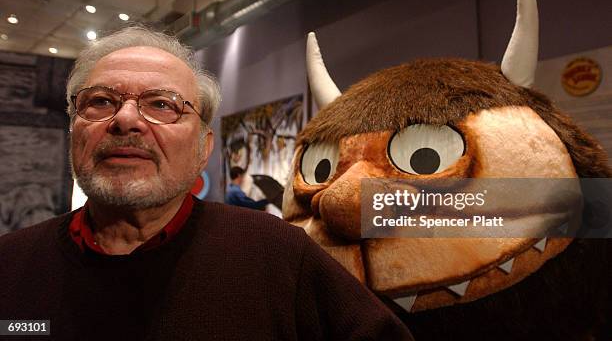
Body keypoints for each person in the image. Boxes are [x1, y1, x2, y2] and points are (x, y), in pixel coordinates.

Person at [0, 26, 413, 341]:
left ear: (203, 148)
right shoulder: (11, 266)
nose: (125, 119)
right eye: (101, 101)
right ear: (74, 130)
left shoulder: (276, 253)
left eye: (162, 104)